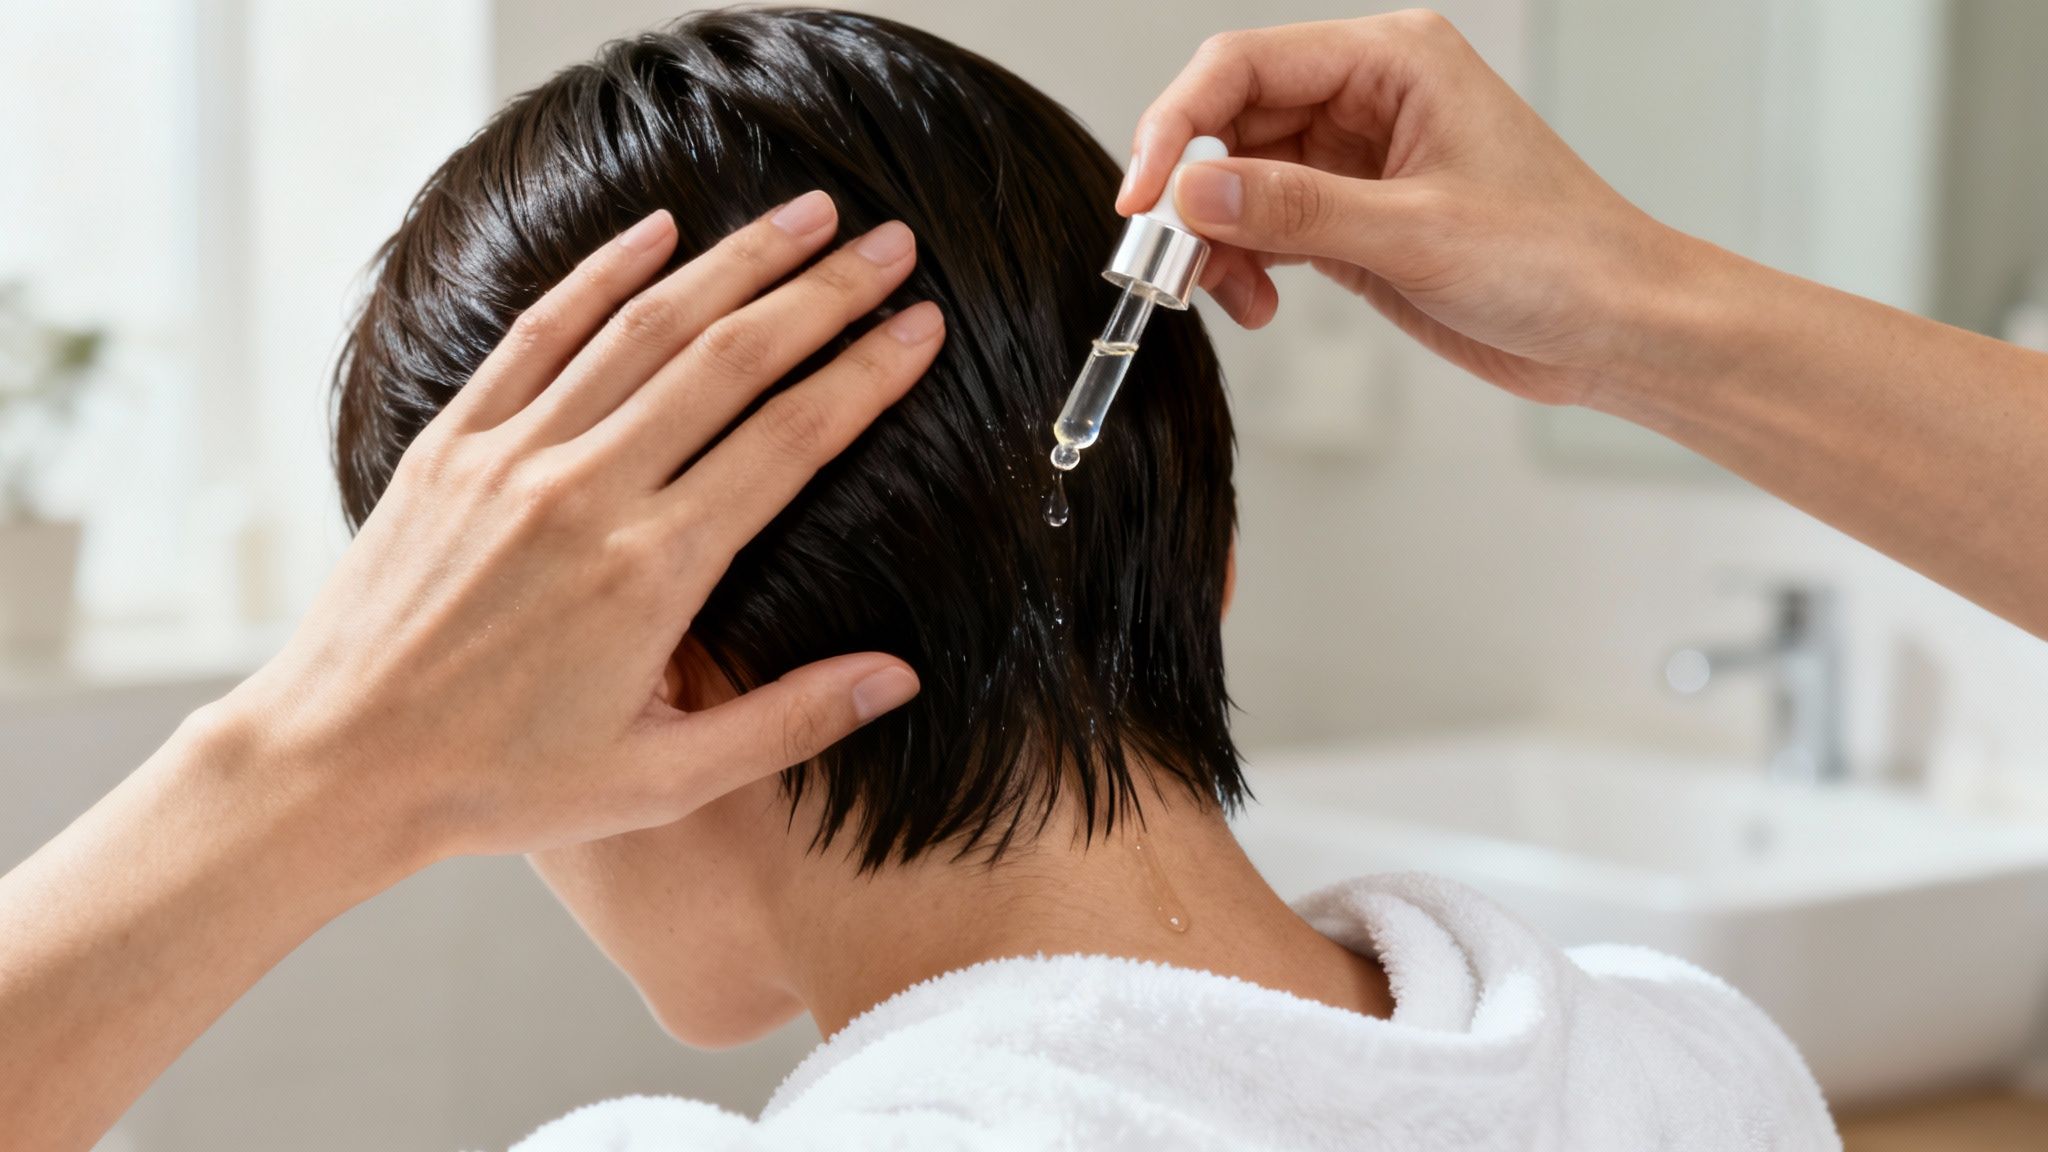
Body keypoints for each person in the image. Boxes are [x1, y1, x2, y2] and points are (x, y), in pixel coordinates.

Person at [16, 4, 2042, 1150]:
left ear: (647, 670)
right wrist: (1648, 307)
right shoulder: (1696, 1067)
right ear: (1215, 560)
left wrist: (303, 768)